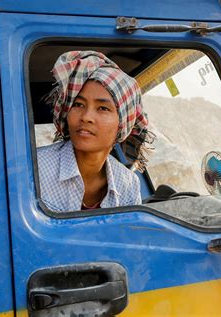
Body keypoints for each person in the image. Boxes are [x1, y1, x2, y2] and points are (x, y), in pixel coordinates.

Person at [37, 50, 154, 212]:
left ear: (122, 124)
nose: (86, 117)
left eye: (103, 108)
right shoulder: (35, 168)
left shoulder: (129, 184)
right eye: (78, 105)